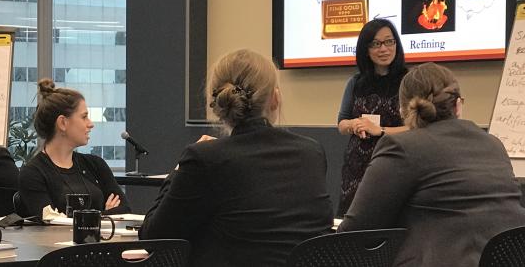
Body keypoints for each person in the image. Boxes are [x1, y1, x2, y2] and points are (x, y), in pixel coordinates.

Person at [140, 50, 332, 267]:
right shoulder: (312, 152)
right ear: (275, 99)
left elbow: (154, 238)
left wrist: (177, 171)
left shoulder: (206, 158)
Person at [339, 63, 525, 266]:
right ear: (458, 106)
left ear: (403, 110)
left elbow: (355, 232)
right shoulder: (493, 144)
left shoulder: (402, 146)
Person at [17, 79, 130, 219]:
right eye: (84, 117)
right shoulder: (33, 173)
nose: (90, 124)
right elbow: (50, 223)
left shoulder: (96, 165)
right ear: (63, 123)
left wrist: (79, 218)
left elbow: (124, 210)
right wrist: (104, 215)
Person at [336, 18, 408, 215]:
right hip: (357, 167)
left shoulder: (408, 82)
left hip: (395, 163)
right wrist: (355, 124)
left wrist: (382, 131)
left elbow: (418, 126)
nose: (383, 49)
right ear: (366, 49)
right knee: (352, 224)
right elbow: (341, 124)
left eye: (389, 42)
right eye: (376, 44)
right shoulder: (355, 82)